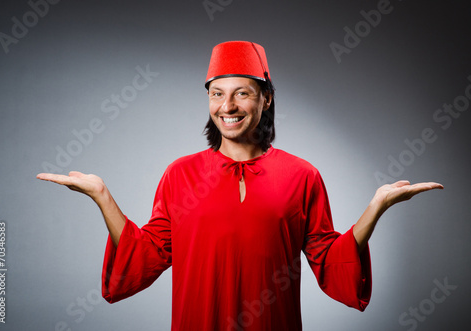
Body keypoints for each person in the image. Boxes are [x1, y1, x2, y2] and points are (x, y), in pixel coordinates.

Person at [37, 41, 443, 330]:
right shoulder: (180, 174)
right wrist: (102, 197)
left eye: (241, 94)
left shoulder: (302, 175)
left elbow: (327, 259)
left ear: (266, 98)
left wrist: (376, 207)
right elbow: (148, 256)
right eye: (217, 94)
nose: (227, 107)